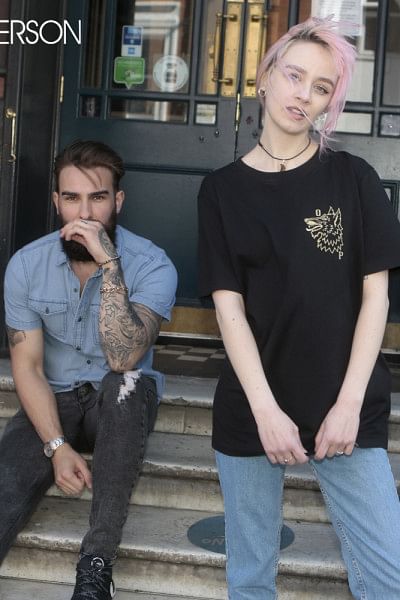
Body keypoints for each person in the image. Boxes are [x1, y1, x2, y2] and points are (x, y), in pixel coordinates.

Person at [198, 17, 400, 600]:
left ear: (330, 102)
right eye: (294, 76)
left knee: (388, 577)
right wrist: (266, 412)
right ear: (265, 77)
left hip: (345, 406)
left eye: (321, 87)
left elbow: (376, 297)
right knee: (250, 580)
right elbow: (229, 311)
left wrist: (348, 405)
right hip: (254, 406)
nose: (303, 94)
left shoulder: (353, 177)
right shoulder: (221, 191)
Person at [1, 140, 177, 600]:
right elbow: (28, 366)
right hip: (54, 399)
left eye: (97, 198)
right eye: (71, 198)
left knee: (124, 384)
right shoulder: (26, 265)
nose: (84, 213)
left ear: (117, 201)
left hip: (118, 400)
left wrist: (109, 264)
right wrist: (57, 446)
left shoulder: (152, 264)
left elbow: (123, 359)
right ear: (56, 202)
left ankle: (96, 568)